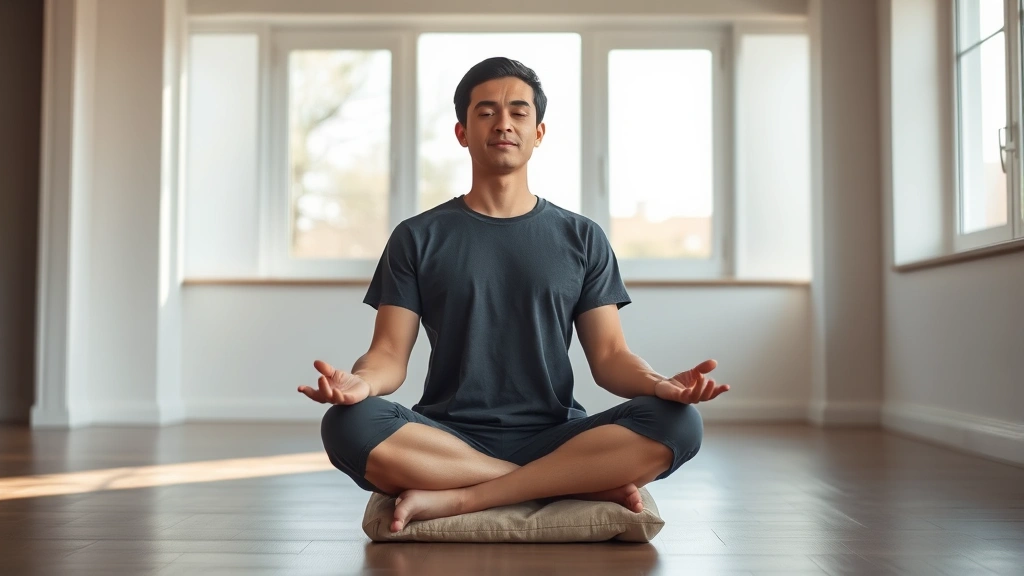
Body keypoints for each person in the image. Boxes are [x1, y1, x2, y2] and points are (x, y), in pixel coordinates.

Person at [298, 57, 729, 534]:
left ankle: (463, 495)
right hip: (446, 438)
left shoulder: (582, 237)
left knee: (680, 424)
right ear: (462, 132)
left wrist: (658, 383)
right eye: (486, 112)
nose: (503, 123)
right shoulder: (416, 236)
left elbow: (609, 356)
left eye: (519, 112)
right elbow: (388, 353)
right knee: (345, 425)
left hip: (558, 436)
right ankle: (571, 484)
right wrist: (360, 384)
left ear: (539, 132)